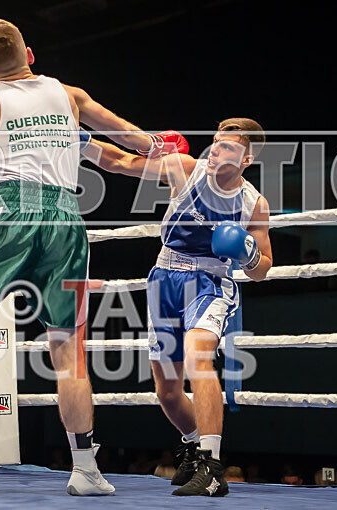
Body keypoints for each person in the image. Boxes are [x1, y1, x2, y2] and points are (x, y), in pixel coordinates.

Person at [0, 18, 186, 496]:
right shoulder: (70, 96)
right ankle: (85, 469)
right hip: (66, 220)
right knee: (69, 352)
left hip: (15, 210)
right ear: (29, 54)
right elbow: (136, 143)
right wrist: (164, 145)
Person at [83, 118, 271, 496]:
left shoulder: (254, 203)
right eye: (215, 142)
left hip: (210, 282)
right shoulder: (186, 169)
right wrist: (80, 141)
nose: (215, 150)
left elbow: (263, 268)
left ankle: (212, 467)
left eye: (228, 146)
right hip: (164, 279)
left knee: (198, 356)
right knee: (168, 392)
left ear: (246, 159)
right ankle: (195, 445)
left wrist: (247, 253)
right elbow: (121, 162)